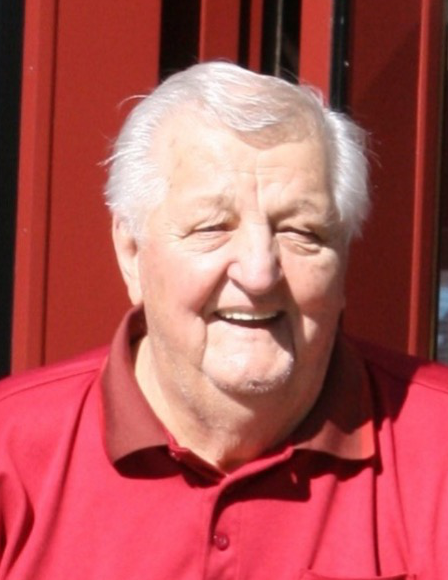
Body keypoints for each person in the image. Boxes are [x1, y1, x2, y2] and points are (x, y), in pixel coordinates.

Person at [1, 62, 447, 580]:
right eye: (212, 227)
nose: (259, 273)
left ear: (344, 257)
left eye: (301, 232)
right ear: (130, 252)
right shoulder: (12, 457)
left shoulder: (437, 452)